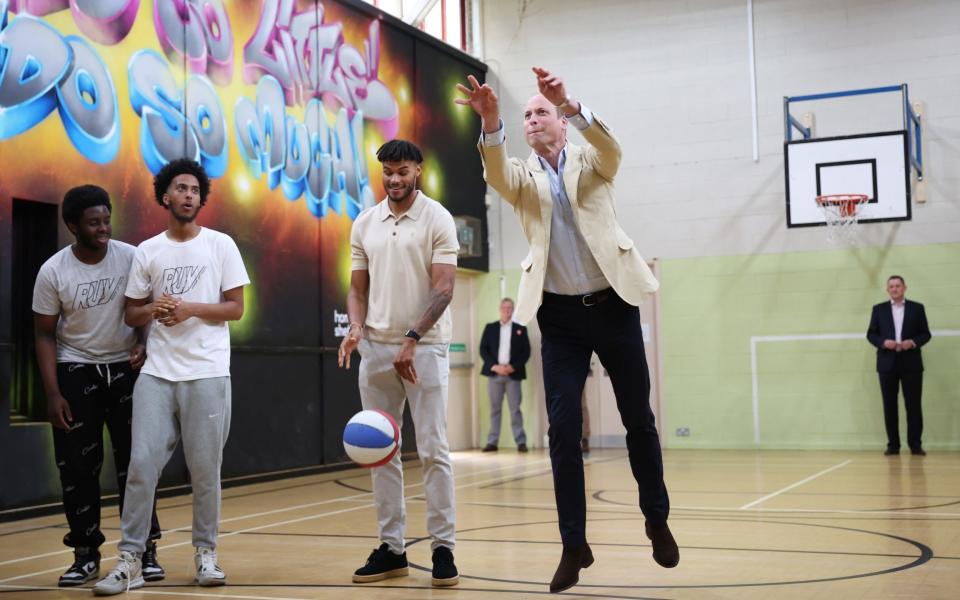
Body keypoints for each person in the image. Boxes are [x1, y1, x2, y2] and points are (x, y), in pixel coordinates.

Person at [457, 67, 678, 593]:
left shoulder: (591, 162)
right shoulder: (517, 175)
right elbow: (494, 175)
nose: (532, 119)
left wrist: (573, 105)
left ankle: (656, 517)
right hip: (558, 317)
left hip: (614, 304)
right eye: (526, 114)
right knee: (560, 432)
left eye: (541, 112)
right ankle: (573, 545)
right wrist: (490, 122)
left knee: (638, 420)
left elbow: (612, 152)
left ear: (559, 122)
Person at [93, 159, 249, 595]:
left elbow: (236, 308)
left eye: (194, 190)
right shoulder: (148, 250)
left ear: (201, 199)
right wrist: (154, 310)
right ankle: (130, 560)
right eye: (179, 188)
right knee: (140, 466)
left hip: (207, 374)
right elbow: (131, 313)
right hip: (158, 374)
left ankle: (205, 553)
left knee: (205, 471)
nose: (187, 195)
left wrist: (191, 308)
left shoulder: (221, 245)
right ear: (165, 196)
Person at [338, 139, 460, 587]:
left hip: (423, 349)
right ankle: (392, 549)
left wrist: (413, 337)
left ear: (418, 171)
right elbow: (357, 290)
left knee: (432, 449)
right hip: (375, 348)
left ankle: (443, 547)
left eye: (402, 170)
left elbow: (444, 289)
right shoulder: (364, 222)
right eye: (388, 171)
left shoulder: (437, 218)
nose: (394, 179)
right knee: (380, 452)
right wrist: (354, 327)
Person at [32, 185, 164, 587]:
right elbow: (43, 335)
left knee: (137, 463)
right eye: (94, 222)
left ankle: (144, 550)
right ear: (73, 225)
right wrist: (53, 394)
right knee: (77, 467)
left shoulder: (130, 257)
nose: (103, 227)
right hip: (76, 370)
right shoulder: (53, 271)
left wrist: (143, 344)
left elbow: (145, 310)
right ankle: (85, 554)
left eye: (106, 219)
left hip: (125, 368)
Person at [866, 275, 931, 456]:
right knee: (889, 405)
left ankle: (915, 445)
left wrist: (913, 342)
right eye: (891, 286)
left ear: (904, 288)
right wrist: (882, 342)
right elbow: (871, 334)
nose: (894, 289)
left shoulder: (917, 308)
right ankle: (893, 445)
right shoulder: (878, 310)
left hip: (911, 363)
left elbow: (926, 334)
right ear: (888, 290)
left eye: (898, 286)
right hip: (887, 364)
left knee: (913, 405)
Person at [479, 297, 531, 452]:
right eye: (505, 308)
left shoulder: (520, 329)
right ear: (500, 309)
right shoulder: (490, 328)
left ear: (513, 310)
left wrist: (512, 367)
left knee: (515, 409)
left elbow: (526, 352)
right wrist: (495, 366)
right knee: (495, 410)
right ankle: (492, 442)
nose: (507, 310)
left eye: (510, 308)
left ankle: (521, 441)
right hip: (495, 374)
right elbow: (483, 349)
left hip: (513, 375)